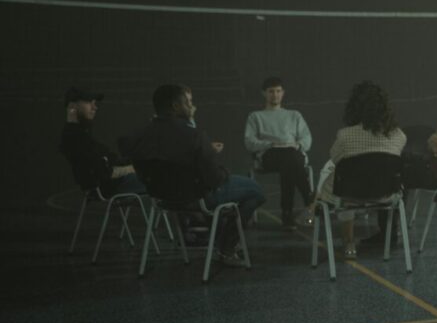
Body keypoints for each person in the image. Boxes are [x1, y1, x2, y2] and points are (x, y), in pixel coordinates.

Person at [122, 84, 266, 265]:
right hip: (195, 198)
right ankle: (226, 247)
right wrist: (224, 172)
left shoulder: (139, 136)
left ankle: (220, 238)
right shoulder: (193, 136)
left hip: (161, 199)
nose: (190, 107)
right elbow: (214, 179)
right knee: (256, 191)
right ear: (176, 106)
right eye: (187, 102)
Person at [317, 81, 406, 259]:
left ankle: (349, 243)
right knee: (347, 179)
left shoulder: (345, 135)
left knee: (340, 181)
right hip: (385, 195)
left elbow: (334, 158)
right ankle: (387, 243)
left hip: (350, 194)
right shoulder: (399, 135)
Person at [244, 77, 315, 228]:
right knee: (289, 159)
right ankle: (309, 198)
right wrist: (271, 144)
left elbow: (307, 139)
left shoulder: (294, 115)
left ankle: (287, 214)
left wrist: (297, 144)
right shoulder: (256, 116)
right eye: (271, 92)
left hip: (292, 153)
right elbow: (249, 142)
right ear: (264, 93)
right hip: (270, 155)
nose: (275, 95)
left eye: (278, 91)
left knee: (289, 160)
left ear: (283, 93)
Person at [59, 87, 145, 196]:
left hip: (110, 185)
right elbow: (105, 173)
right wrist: (133, 168)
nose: (95, 107)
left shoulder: (79, 134)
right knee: (161, 179)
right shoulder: (77, 137)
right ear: (73, 106)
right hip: (110, 186)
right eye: (89, 102)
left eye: (94, 103)